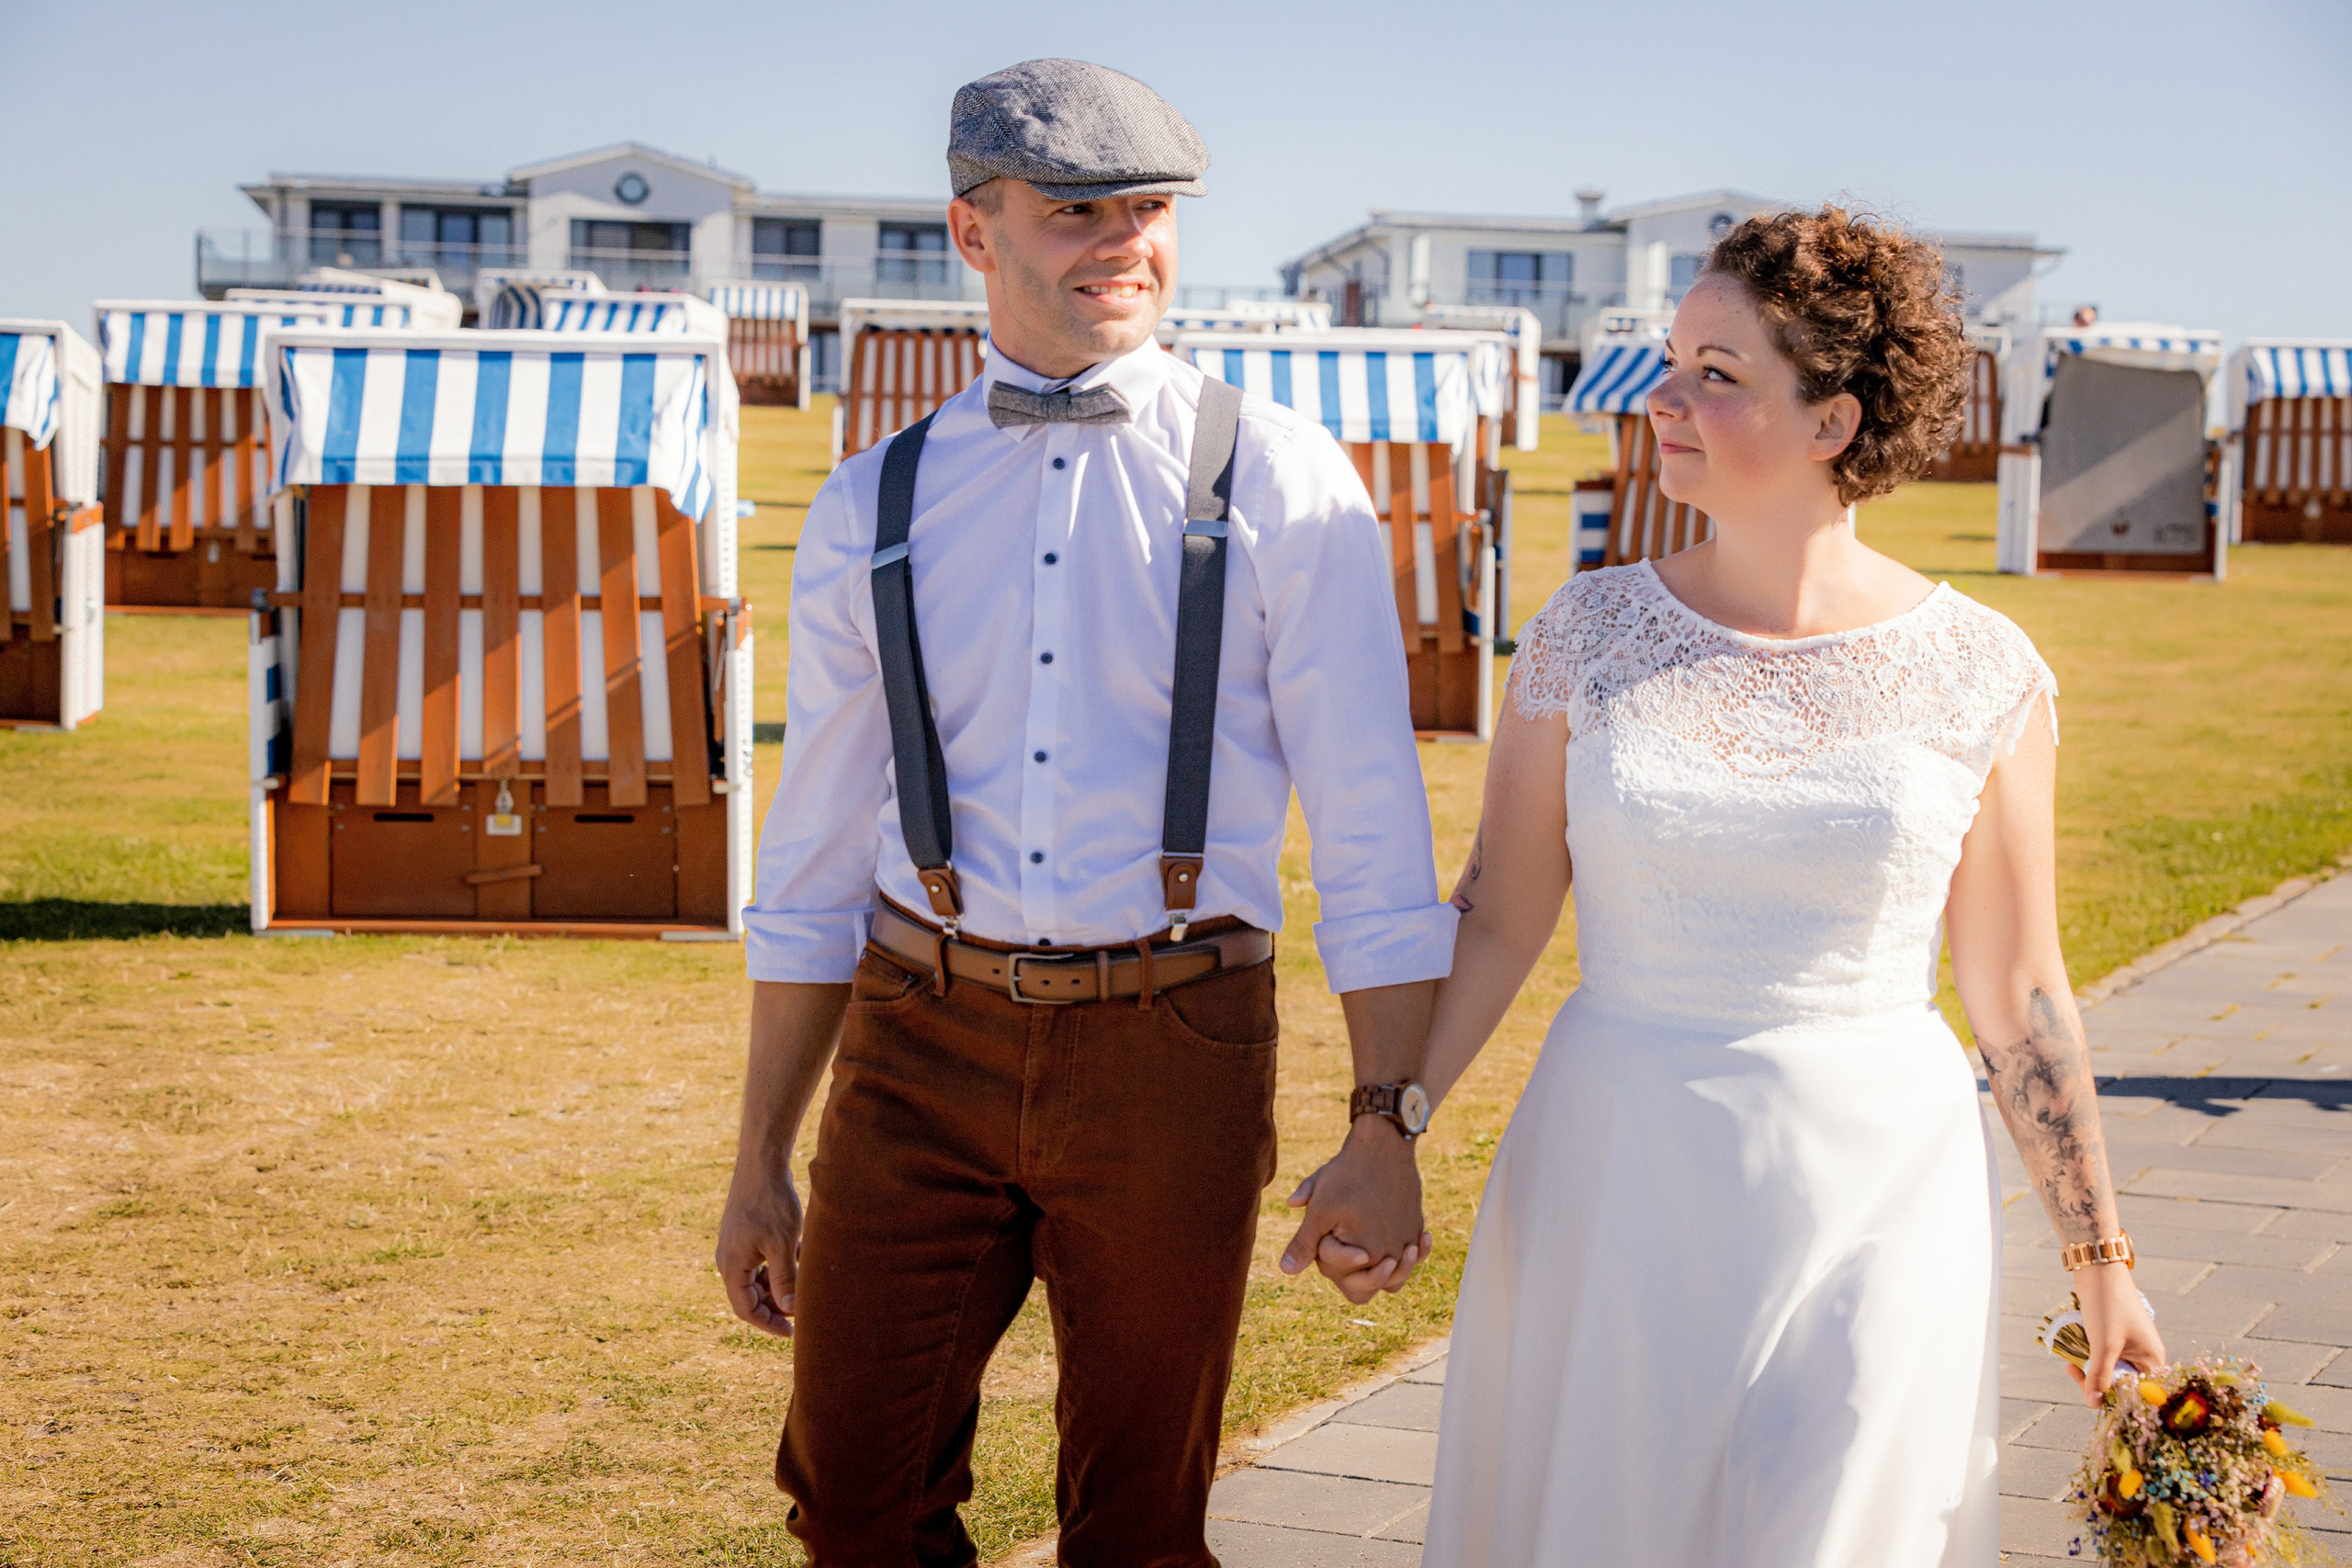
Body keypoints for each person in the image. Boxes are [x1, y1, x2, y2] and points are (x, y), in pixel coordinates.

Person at [713, 58, 1455, 1566]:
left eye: (1151, 207)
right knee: (850, 1497)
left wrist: (1386, 1125)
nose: (1125, 241)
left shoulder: (1287, 480)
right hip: (918, 1037)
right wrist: (758, 1159)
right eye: (1075, 210)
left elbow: (1374, 840)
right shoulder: (876, 501)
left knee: (1137, 1528)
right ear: (974, 233)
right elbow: (809, 859)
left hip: (1171, 1046)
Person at [1418, 208, 2165, 1566]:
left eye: (1720, 373)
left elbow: (2018, 987)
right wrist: (1386, 1126)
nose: (1666, 401)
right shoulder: (1587, 631)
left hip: (1880, 1182)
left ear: (1835, 421)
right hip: (1617, 1166)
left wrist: (2102, 1261)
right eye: (1670, 360)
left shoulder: (1982, 670)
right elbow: (1502, 914)